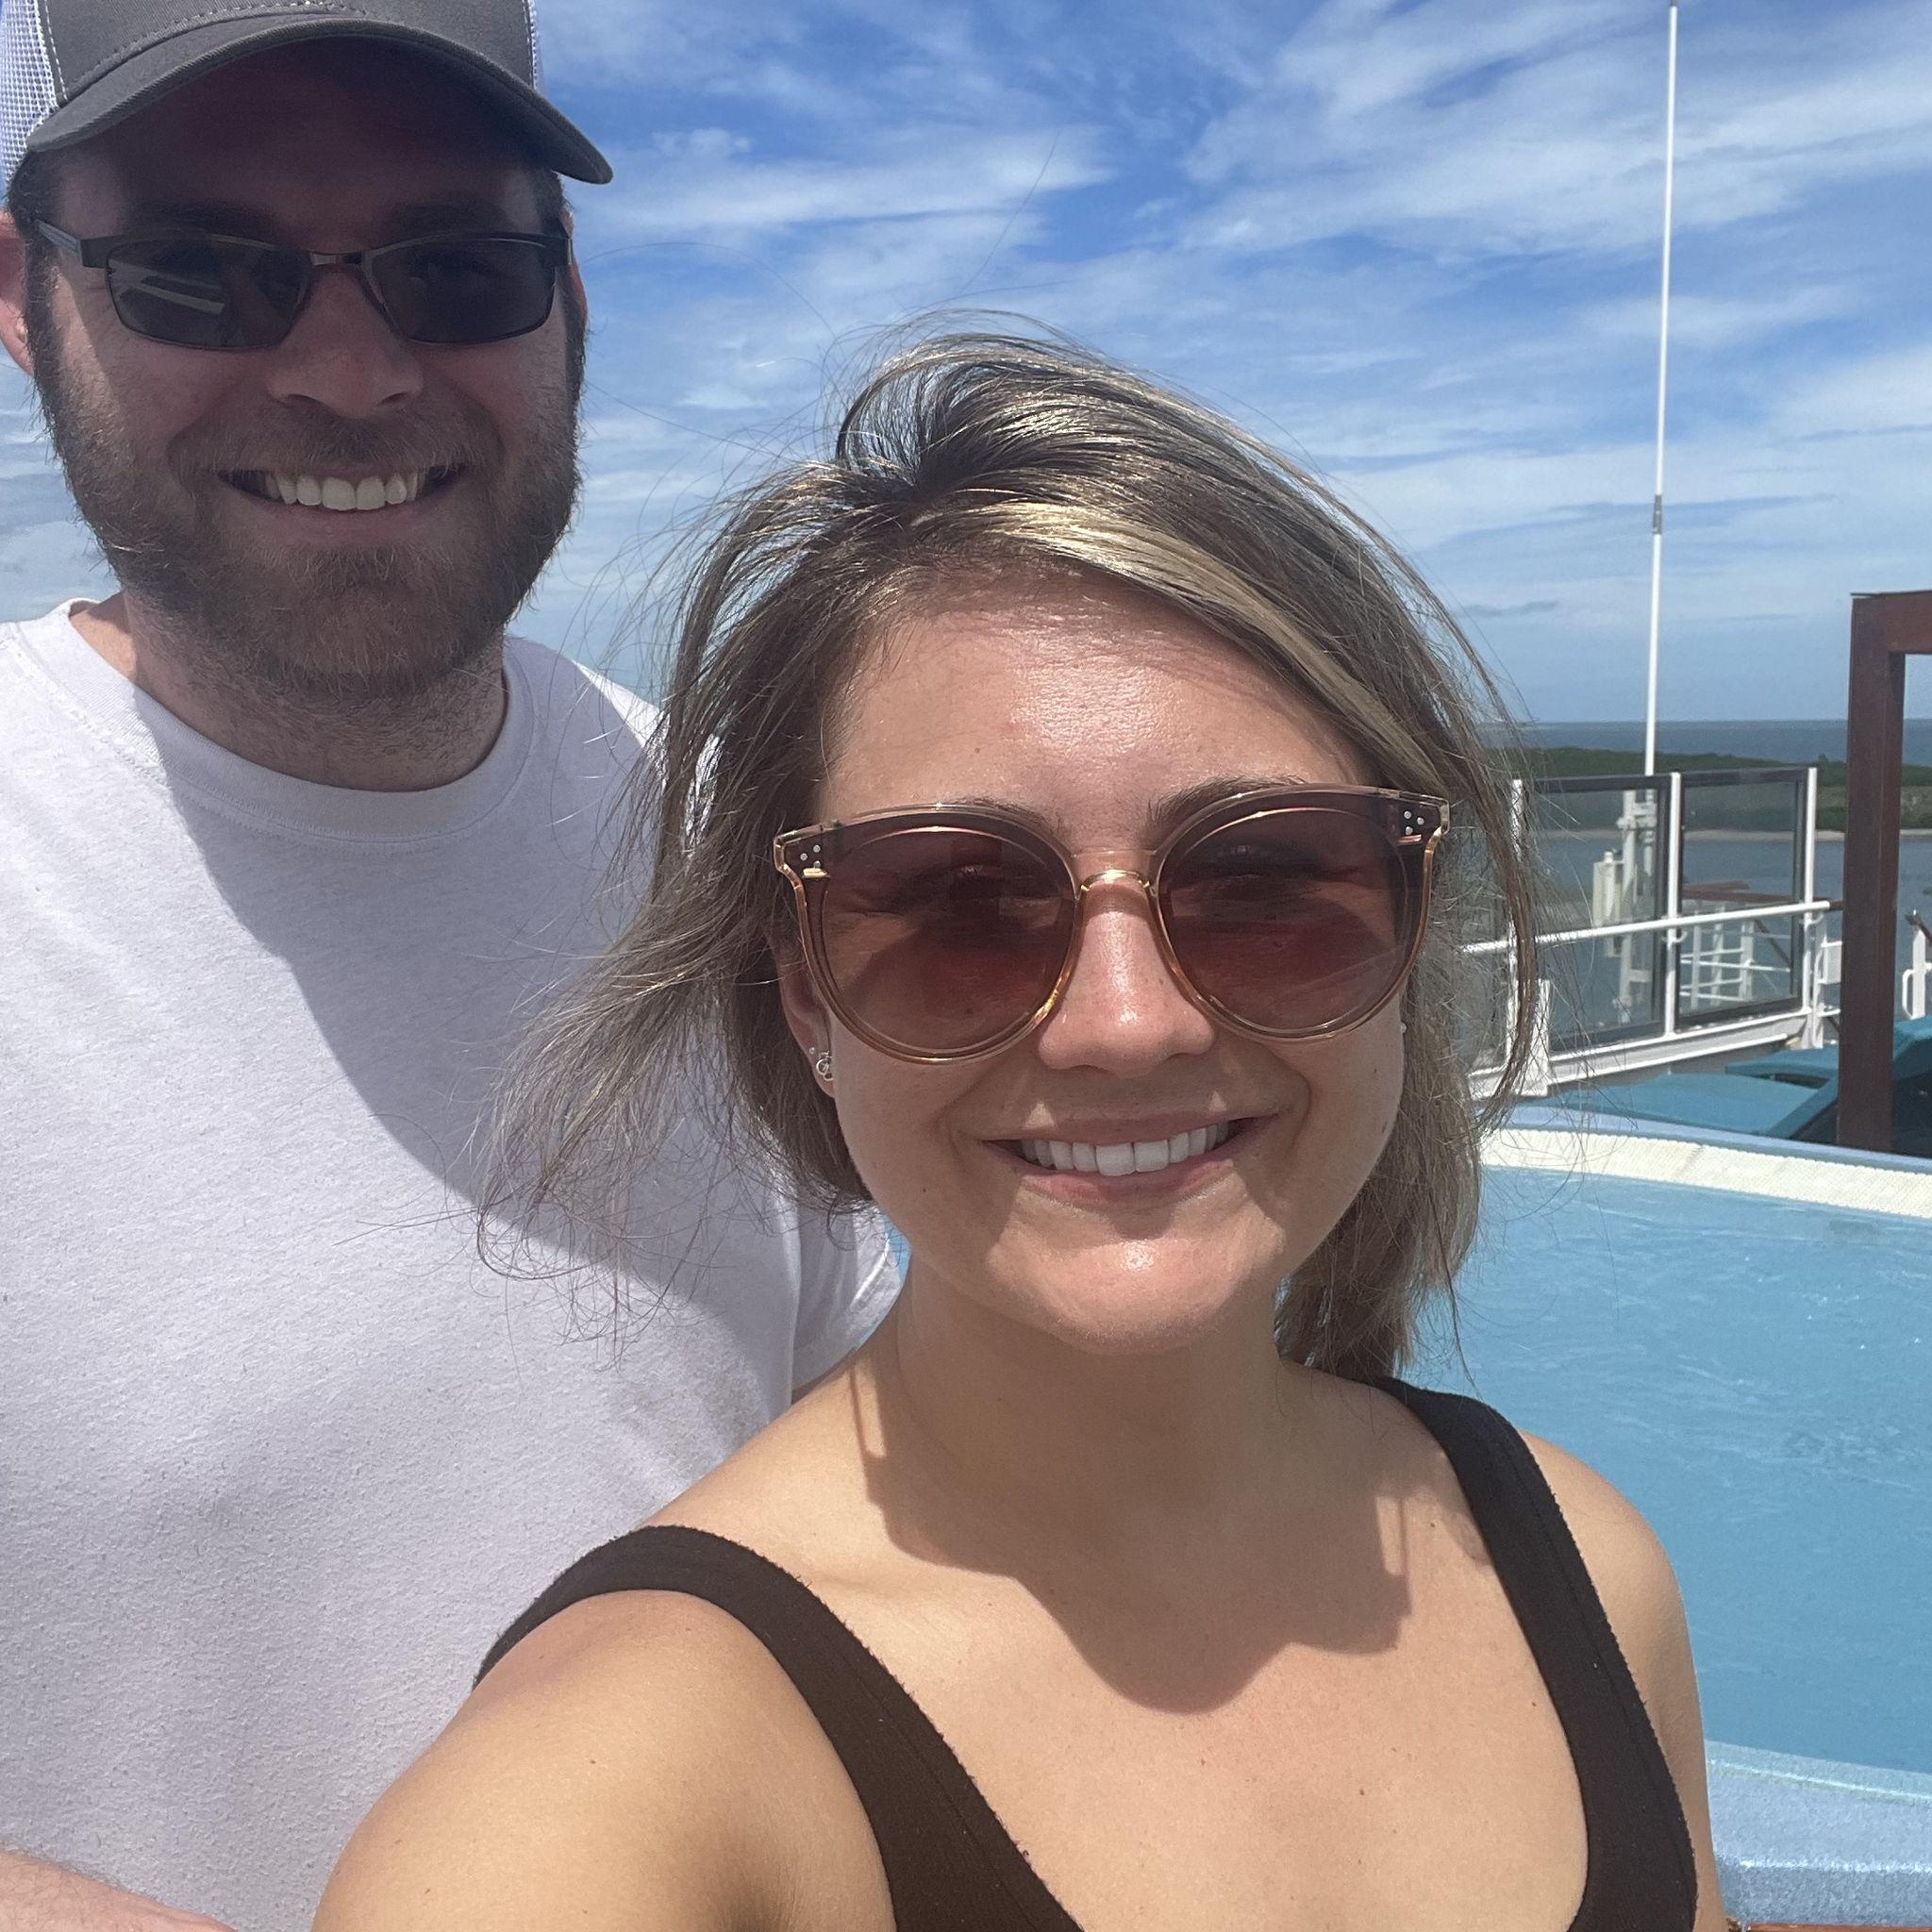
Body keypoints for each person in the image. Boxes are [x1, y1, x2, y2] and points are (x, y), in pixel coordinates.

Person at [316, 331, 1730, 1932]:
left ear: (1409, 924)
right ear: (802, 993)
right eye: (958, 904)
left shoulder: (1588, 1578)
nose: (1130, 1022)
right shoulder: (616, 1802)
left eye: (1265, 886)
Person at [0, 8, 895, 1932]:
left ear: (567, 304)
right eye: (200, 270)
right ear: (25, 298)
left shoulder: (740, 850)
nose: (345, 369)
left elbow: (907, 1529)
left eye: (454, 266)